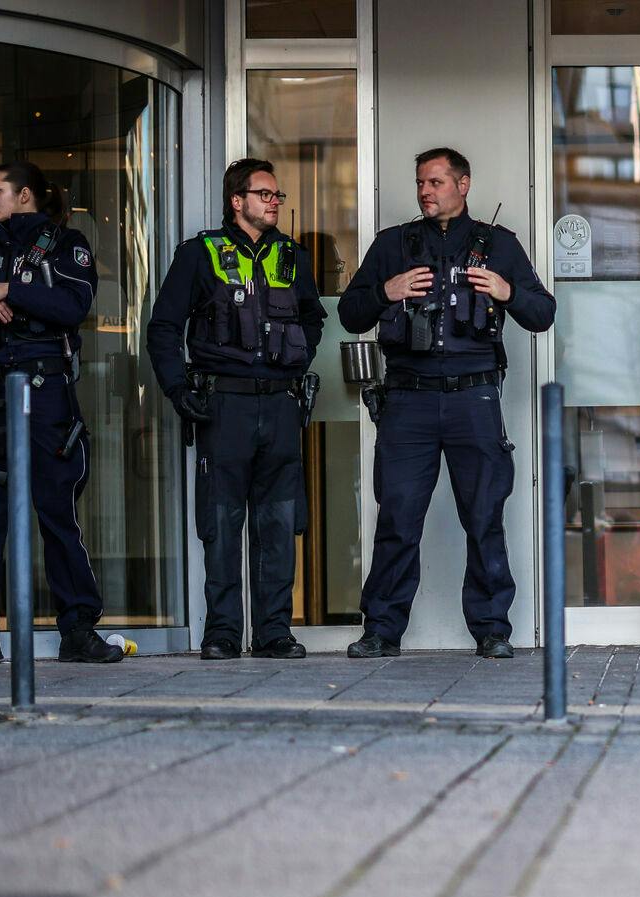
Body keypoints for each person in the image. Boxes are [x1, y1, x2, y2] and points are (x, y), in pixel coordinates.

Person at [337, 147, 555, 659]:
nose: (425, 192)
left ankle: (492, 629)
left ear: (464, 184)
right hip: (408, 401)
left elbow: (543, 313)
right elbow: (349, 313)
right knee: (398, 516)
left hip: (473, 398)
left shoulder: (498, 245)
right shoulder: (394, 245)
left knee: (484, 517)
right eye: (420, 183)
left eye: (435, 182)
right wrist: (385, 291)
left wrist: (506, 290)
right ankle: (382, 630)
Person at [0, 161, 122, 666]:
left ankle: (78, 630)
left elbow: (73, 305)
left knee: (55, 512)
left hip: (46, 394)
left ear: (25, 195)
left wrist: (9, 290)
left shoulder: (65, 244)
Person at [146, 158, 325, 660]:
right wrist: (179, 389)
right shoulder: (199, 254)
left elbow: (313, 317)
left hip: (282, 407)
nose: (274, 202)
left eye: (276, 195)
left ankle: (273, 632)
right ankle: (222, 632)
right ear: (237, 200)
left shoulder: (292, 256)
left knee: (277, 522)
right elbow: (163, 328)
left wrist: (297, 358)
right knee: (221, 523)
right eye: (264, 194)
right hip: (223, 406)